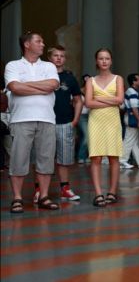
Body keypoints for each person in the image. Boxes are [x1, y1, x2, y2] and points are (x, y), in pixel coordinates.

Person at [5, 32, 61, 213]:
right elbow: (14, 87)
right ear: (27, 45)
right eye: (39, 41)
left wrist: (26, 84)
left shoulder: (49, 65)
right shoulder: (13, 65)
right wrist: (40, 86)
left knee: (46, 159)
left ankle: (43, 196)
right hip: (21, 119)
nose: (43, 44)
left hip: (46, 119)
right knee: (18, 159)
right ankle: (17, 198)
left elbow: (52, 85)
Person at [84, 48, 125, 208]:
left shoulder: (118, 79)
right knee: (96, 157)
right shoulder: (90, 81)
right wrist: (111, 99)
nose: (104, 61)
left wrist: (99, 99)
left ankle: (112, 192)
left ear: (111, 61)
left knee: (114, 157)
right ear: (96, 61)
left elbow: (120, 99)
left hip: (112, 120)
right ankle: (98, 193)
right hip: (96, 121)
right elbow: (88, 103)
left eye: (107, 58)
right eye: (101, 58)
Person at [47, 46, 83, 202]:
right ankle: (39, 190)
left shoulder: (69, 78)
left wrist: (75, 120)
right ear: (49, 58)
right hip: (45, 122)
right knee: (43, 158)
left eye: (62, 55)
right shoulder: (43, 75)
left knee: (64, 159)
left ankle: (65, 189)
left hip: (64, 122)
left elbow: (78, 100)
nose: (59, 58)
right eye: (56, 55)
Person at [120, 73, 139, 169]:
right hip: (133, 118)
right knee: (129, 140)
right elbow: (134, 108)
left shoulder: (131, 91)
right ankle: (122, 160)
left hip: (130, 117)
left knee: (134, 141)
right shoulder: (132, 93)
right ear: (134, 82)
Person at [76, 75, 91, 164]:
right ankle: (81, 156)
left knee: (85, 137)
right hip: (82, 116)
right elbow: (75, 103)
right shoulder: (79, 91)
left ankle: (86, 156)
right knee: (86, 136)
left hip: (91, 115)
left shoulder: (92, 91)